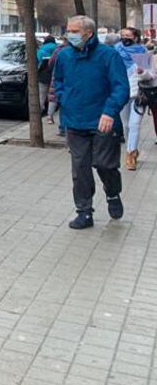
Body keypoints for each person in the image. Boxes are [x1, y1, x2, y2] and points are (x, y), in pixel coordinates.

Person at [53, 15, 130, 230]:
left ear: (88, 33)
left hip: (103, 122)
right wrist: (64, 99)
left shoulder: (108, 56)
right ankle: (84, 212)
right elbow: (58, 81)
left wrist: (109, 111)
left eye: (74, 31)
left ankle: (113, 194)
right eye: (68, 30)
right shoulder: (64, 56)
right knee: (80, 170)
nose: (69, 34)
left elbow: (120, 87)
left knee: (105, 165)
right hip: (75, 121)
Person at [115, 28, 154, 170]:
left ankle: (130, 155)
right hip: (122, 94)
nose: (125, 38)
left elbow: (151, 76)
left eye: (128, 36)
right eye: (123, 35)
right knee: (126, 125)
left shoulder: (141, 53)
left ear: (136, 38)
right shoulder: (116, 51)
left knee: (134, 124)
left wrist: (142, 72)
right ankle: (131, 148)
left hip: (139, 95)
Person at [37, 35, 58, 115]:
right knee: (53, 97)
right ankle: (50, 115)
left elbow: (37, 64)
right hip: (54, 76)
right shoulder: (58, 49)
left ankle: (39, 112)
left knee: (41, 96)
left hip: (43, 77)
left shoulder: (41, 50)